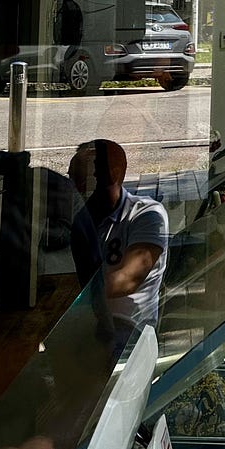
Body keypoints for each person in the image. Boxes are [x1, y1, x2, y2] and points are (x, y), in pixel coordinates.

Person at [68, 139, 169, 345]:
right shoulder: (79, 219)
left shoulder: (146, 214)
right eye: (72, 177)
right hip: (84, 326)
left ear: (111, 175)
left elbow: (126, 279)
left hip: (131, 331)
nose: (76, 186)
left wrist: (68, 299)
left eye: (83, 177)